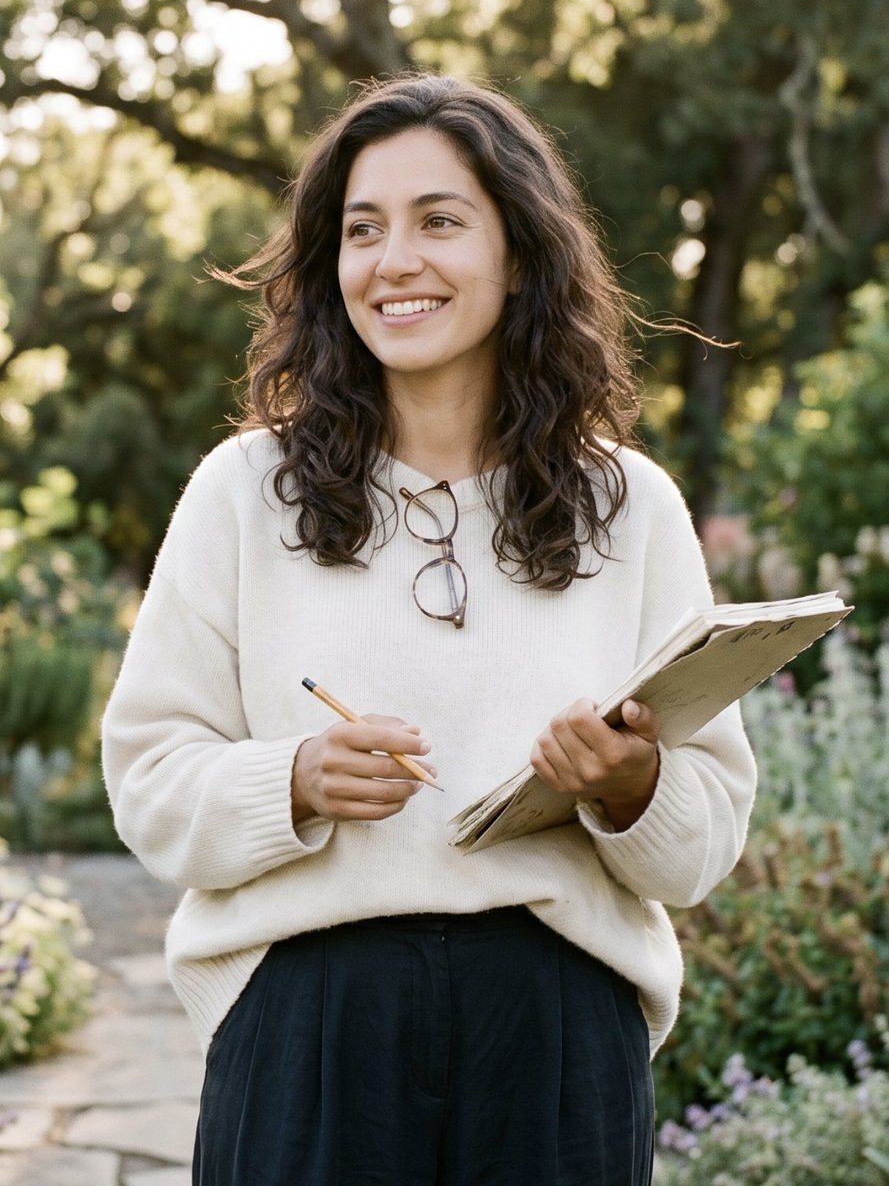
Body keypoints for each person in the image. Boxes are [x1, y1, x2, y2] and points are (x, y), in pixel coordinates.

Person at [102, 72, 756, 1186]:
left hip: (558, 1031)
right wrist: (292, 781)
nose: (393, 260)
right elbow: (149, 782)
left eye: (438, 221)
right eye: (362, 230)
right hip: (306, 1029)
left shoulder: (632, 508)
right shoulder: (242, 492)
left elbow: (702, 844)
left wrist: (629, 787)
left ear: (521, 253)